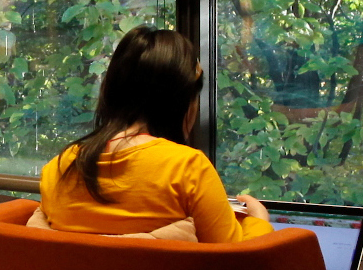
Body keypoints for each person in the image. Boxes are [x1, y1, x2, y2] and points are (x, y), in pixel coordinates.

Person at [38, 25, 272, 242]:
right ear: (184, 100)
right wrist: (258, 221)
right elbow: (236, 259)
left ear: (109, 89)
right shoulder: (188, 168)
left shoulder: (61, 166)